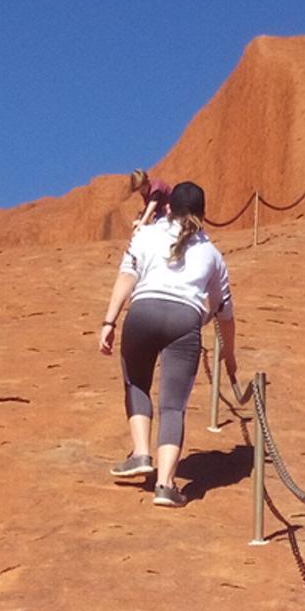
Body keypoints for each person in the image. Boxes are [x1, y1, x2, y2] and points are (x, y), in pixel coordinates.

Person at [99, 181, 237, 508]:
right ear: (203, 213)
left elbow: (127, 278)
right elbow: (224, 312)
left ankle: (142, 454)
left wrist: (108, 321)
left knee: (137, 383)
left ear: (167, 208)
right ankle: (165, 485)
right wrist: (229, 355)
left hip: (142, 314)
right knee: (173, 405)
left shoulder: (145, 235)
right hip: (184, 322)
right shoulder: (212, 254)